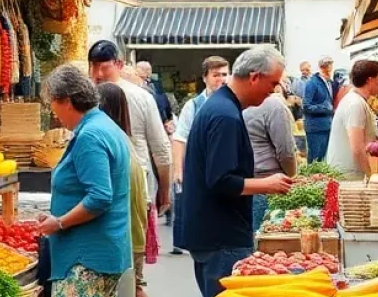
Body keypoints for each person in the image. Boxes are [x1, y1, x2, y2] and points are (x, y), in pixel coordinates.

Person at [183, 47, 293, 297]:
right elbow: (221, 180)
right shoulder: (226, 115)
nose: (273, 92)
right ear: (255, 78)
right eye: (273, 83)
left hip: (209, 230)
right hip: (219, 232)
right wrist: (267, 183)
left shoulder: (219, 108)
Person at [36, 66, 132, 297]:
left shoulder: (90, 135)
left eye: (53, 103)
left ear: (66, 100)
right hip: (99, 250)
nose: (53, 112)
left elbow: (100, 196)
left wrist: (60, 221)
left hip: (85, 258)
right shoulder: (102, 125)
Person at [97, 82, 162, 297]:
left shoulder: (111, 143)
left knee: (132, 289)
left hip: (127, 232)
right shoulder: (125, 141)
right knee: (134, 287)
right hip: (135, 228)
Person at [88, 40, 171, 232]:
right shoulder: (85, 98)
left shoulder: (141, 97)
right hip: (97, 187)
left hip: (133, 185)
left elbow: (161, 148)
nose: (98, 74)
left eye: (104, 67)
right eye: (93, 66)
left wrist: (164, 191)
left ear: (119, 64)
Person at [172, 56, 230, 259]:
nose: (221, 79)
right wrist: (178, 170)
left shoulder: (236, 103)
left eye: (224, 74)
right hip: (199, 170)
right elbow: (180, 138)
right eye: (216, 75)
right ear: (205, 78)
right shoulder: (193, 106)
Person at [244, 83, 298, 231]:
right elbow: (286, 151)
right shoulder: (275, 106)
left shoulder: (244, 103)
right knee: (265, 237)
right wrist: (293, 175)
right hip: (269, 183)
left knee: (254, 237)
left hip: (250, 181)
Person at [326, 59, 378, 179]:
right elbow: (357, 148)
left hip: (349, 173)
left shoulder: (356, 100)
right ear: (369, 80)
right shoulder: (355, 104)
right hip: (347, 175)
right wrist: (370, 176)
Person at [302, 56, 338, 162]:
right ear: (321, 67)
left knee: (322, 160)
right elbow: (306, 106)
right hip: (315, 128)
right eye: (327, 67)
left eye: (330, 66)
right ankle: (310, 178)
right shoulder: (312, 83)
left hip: (326, 126)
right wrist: (325, 108)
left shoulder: (330, 83)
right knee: (314, 160)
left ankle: (320, 178)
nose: (329, 69)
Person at [135, 60, 174, 132]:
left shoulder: (156, 84)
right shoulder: (135, 83)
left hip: (157, 117)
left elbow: (163, 101)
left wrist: (167, 118)